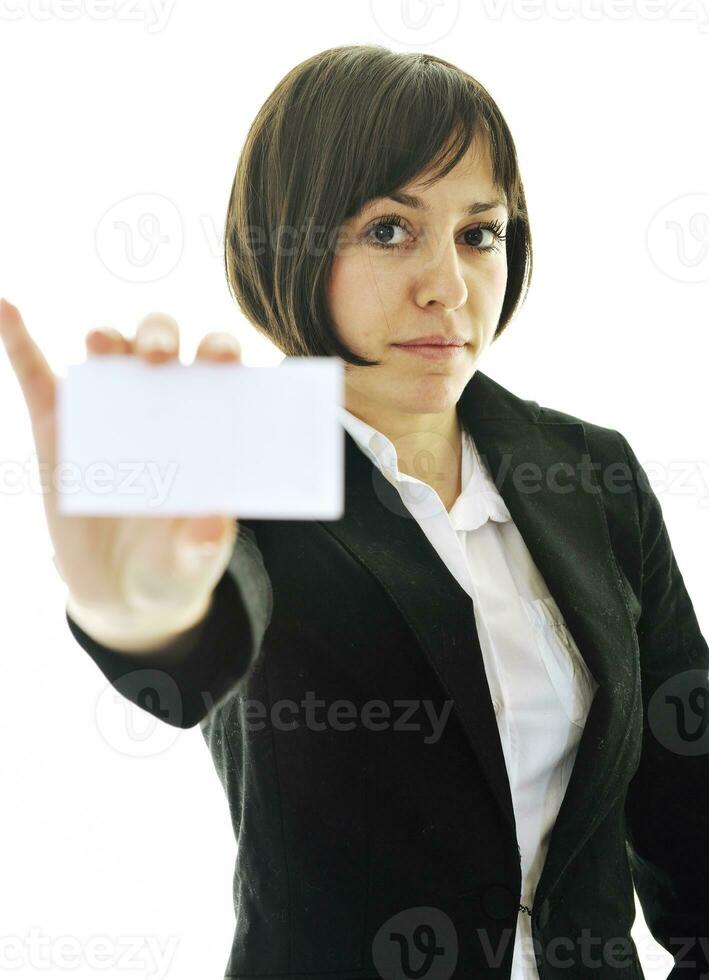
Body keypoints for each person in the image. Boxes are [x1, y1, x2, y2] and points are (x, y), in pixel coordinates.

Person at [2, 44, 708, 980]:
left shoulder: (586, 470)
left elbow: (686, 785)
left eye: (478, 233)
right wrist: (137, 610)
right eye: (387, 230)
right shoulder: (243, 462)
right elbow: (195, 643)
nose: (448, 286)